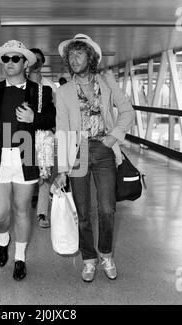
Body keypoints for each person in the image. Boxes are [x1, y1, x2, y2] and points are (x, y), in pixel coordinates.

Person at [54, 34, 135, 283]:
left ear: (91, 57)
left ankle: (106, 254)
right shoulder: (65, 91)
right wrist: (62, 168)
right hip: (78, 151)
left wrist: (113, 138)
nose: (74, 58)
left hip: (104, 149)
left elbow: (127, 112)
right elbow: (63, 130)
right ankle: (89, 259)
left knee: (107, 208)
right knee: (83, 210)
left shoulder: (107, 81)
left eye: (79, 53)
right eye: (71, 55)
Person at [0, 40, 56, 280]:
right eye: (6, 59)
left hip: (26, 156)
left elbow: (51, 120)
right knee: (0, 213)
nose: (9, 63)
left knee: (22, 209)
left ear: (25, 64)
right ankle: (3, 239)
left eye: (15, 59)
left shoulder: (41, 91)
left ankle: (20, 258)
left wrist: (34, 118)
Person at [28, 48, 57, 228]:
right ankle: (24, 207)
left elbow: (55, 113)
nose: (36, 63)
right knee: (26, 173)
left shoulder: (50, 86)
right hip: (23, 137)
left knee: (45, 175)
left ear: (43, 63)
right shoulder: (20, 84)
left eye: (39, 60)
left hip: (45, 135)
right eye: (33, 60)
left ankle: (41, 213)